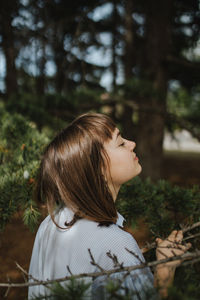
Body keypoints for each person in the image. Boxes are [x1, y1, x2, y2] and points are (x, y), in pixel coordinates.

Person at [28, 113, 191, 299]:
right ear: (96, 167)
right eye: (121, 143)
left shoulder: (52, 222)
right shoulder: (116, 245)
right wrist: (164, 270)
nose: (132, 144)